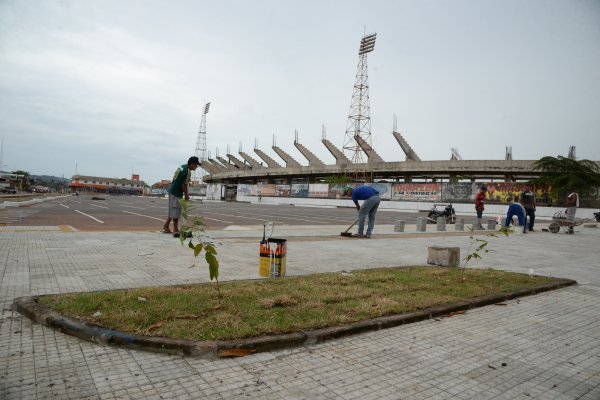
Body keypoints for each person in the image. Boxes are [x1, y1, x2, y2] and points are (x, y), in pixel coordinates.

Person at [162, 156, 200, 234]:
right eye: (196, 165)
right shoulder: (187, 172)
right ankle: (175, 229)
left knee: (173, 210)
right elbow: (184, 185)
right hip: (176, 192)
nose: (196, 167)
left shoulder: (183, 167)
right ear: (192, 164)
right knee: (176, 210)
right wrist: (186, 195)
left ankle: (166, 226)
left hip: (172, 189)